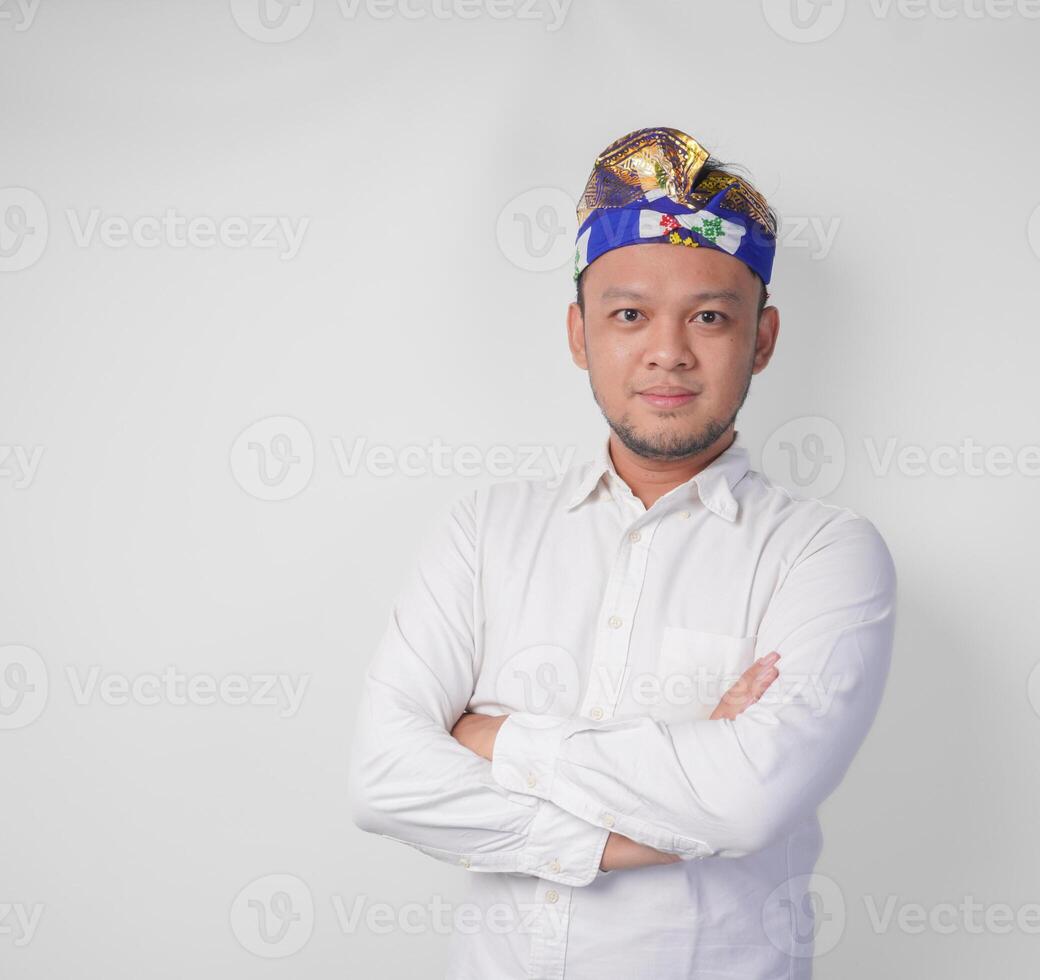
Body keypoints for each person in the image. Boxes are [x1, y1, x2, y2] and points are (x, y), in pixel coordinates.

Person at [350, 125, 897, 979]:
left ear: (762, 338)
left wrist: (498, 737)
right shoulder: (483, 532)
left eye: (710, 317)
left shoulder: (825, 555)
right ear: (580, 334)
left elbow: (747, 801)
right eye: (629, 314)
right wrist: (624, 837)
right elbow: (385, 777)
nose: (667, 351)